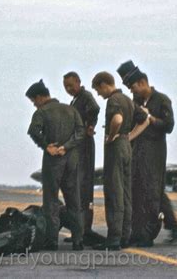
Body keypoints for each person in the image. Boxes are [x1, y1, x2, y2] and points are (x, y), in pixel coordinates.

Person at [117, 60, 177, 246]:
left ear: (142, 82)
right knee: (138, 189)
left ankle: (150, 232)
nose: (132, 92)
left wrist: (151, 119)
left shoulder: (162, 100)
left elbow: (169, 126)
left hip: (154, 152)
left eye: (132, 87)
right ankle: (142, 231)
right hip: (137, 151)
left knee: (153, 191)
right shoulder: (136, 102)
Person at [26, 79, 85, 251]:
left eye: (33, 101)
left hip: (53, 162)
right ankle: (78, 240)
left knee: (51, 201)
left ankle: (52, 241)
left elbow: (33, 131)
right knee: (74, 200)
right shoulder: (71, 110)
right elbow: (80, 132)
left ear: (39, 97)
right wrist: (66, 147)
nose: (34, 105)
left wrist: (47, 146)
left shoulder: (42, 112)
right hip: (71, 160)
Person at [91, 72, 148, 250]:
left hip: (115, 147)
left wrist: (112, 136)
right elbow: (145, 118)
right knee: (126, 193)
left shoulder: (114, 100)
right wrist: (129, 136)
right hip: (126, 146)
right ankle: (124, 236)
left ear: (104, 85)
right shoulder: (128, 100)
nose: (99, 95)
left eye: (98, 90)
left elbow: (117, 119)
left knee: (114, 191)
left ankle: (114, 239)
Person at [63, 71, 104, 246]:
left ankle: (85, 229)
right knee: (77, 188)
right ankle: (78, 230)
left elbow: (95, 108)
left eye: (71, 85)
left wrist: (90, 125)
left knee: (84, 187)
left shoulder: (85, 96)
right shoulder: (76, 100)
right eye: (66, 87)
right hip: (78, 146)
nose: (68, 89)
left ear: (79, 82)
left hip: (85, 146)